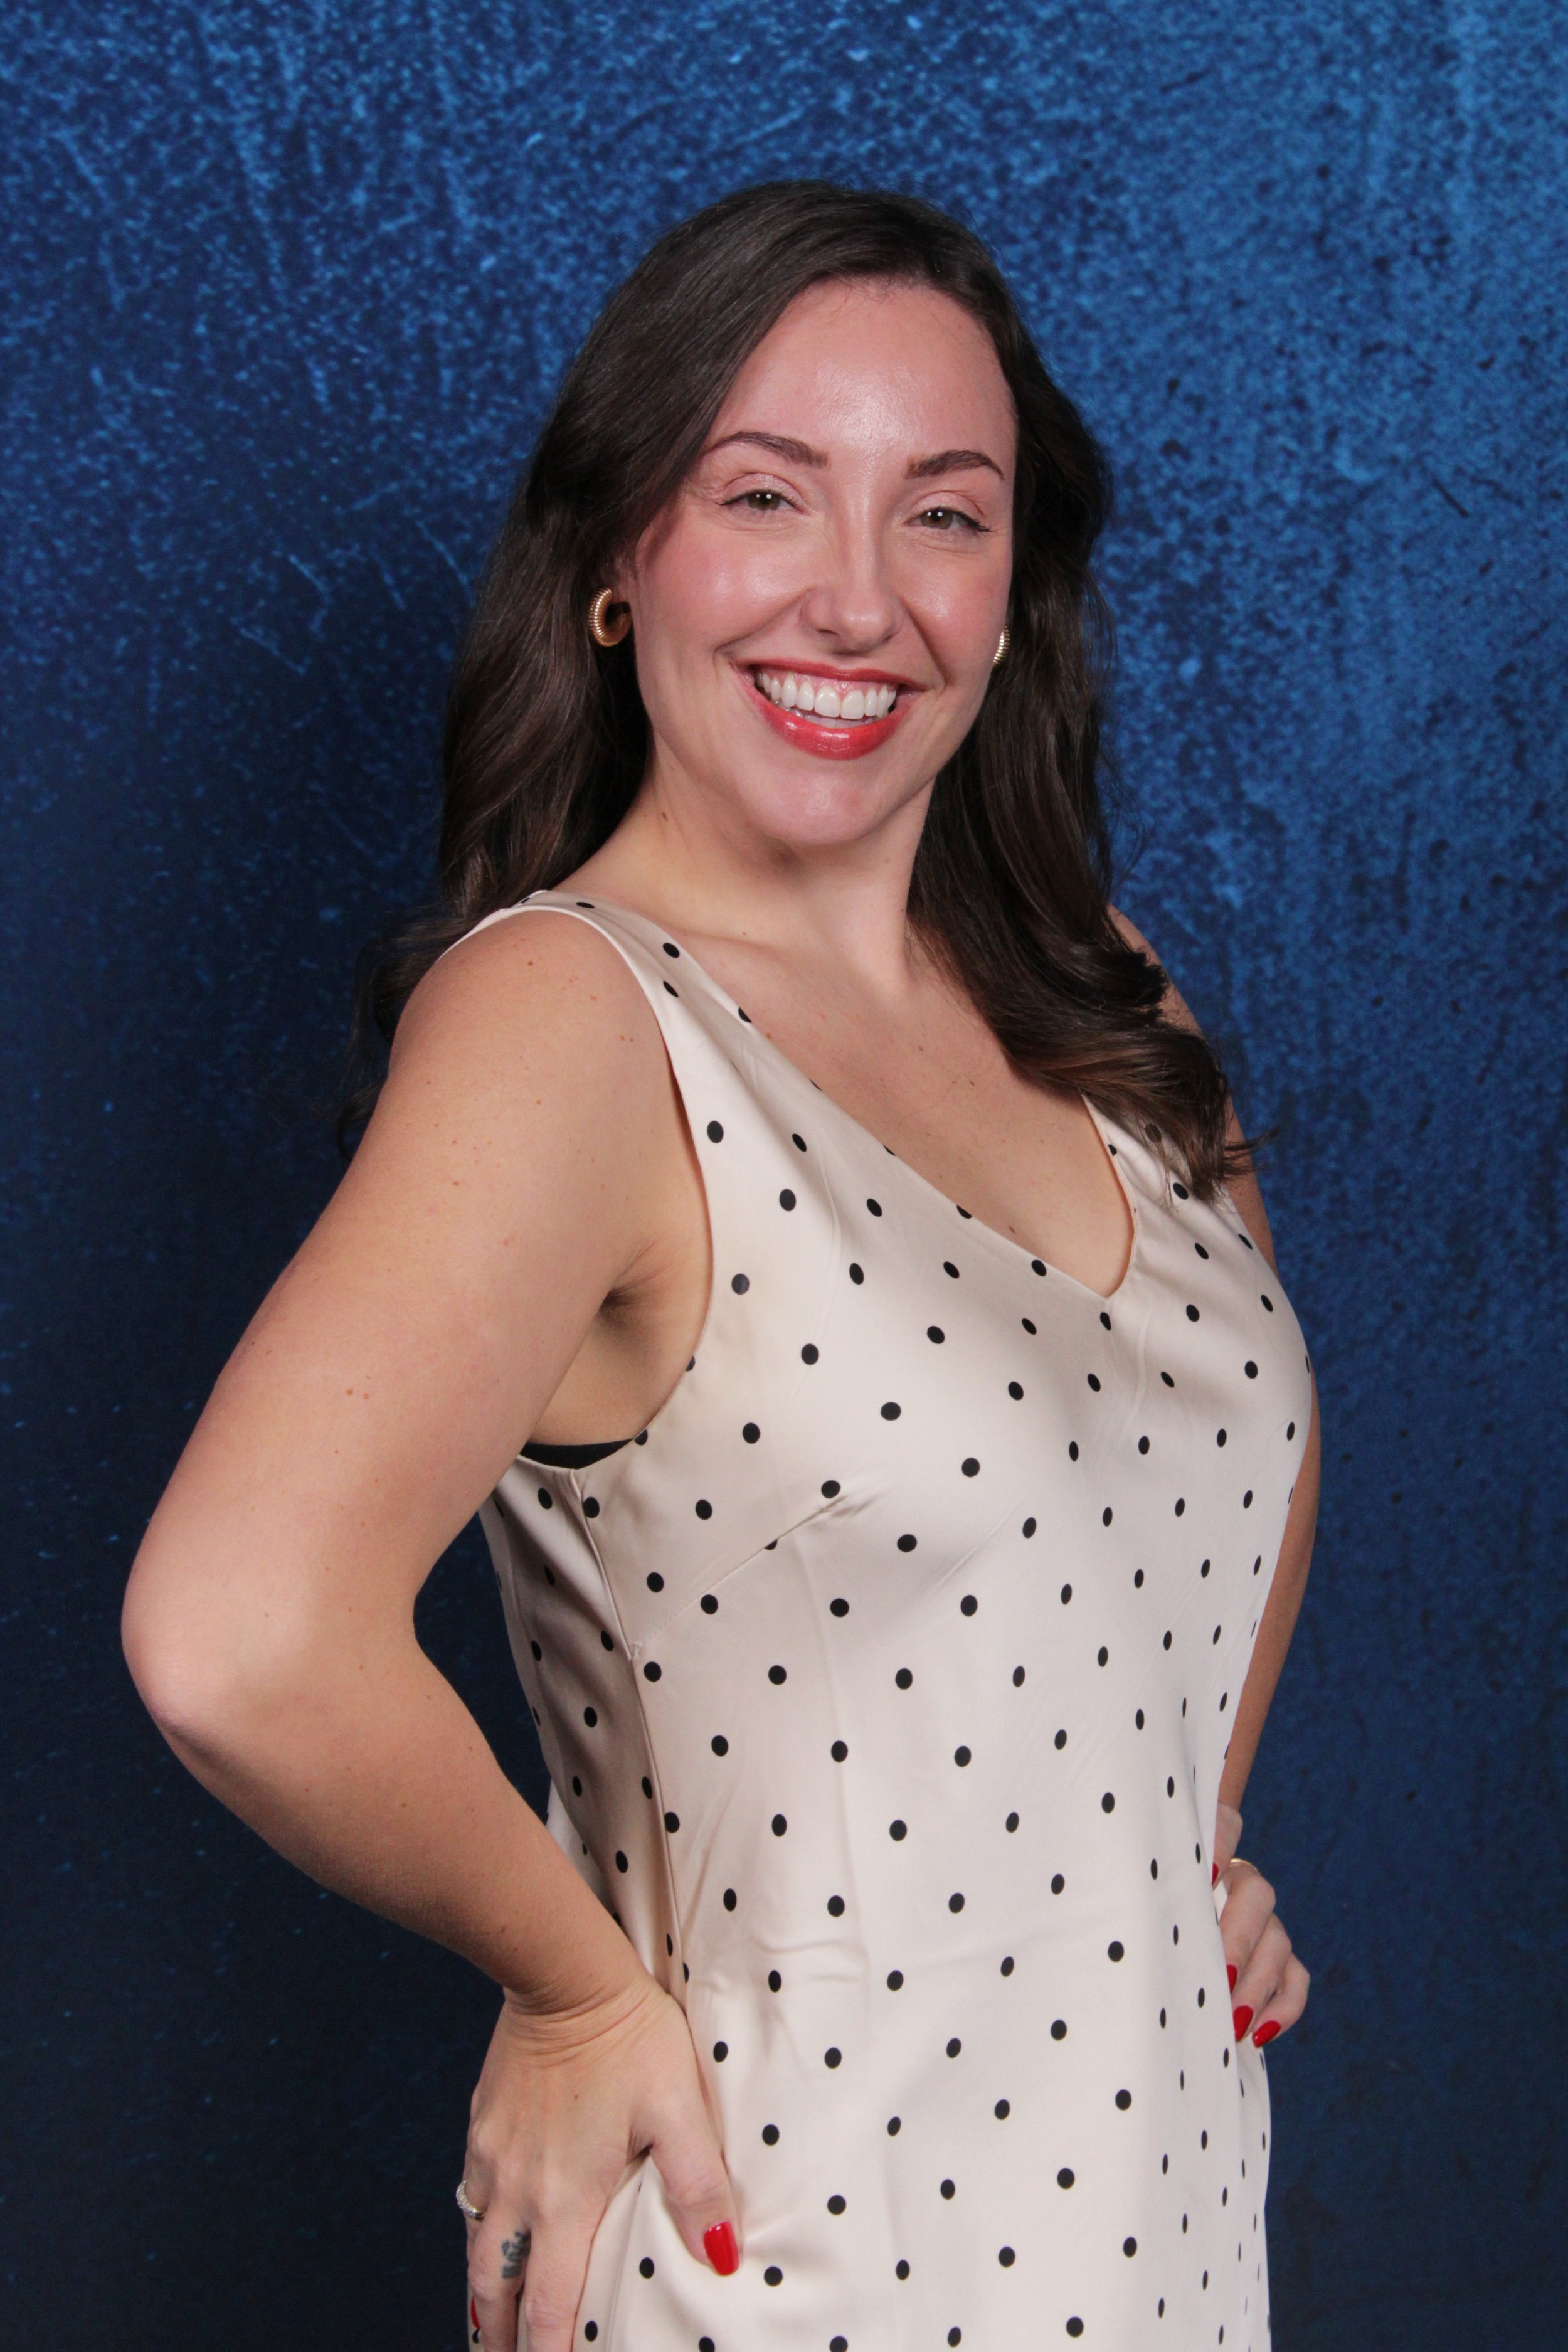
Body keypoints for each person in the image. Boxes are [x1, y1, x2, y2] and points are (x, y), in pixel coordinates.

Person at [123, 180, 1318, 2352]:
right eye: (762, 494)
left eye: (943, 517)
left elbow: (1240, 1424)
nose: (856, 601)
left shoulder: (1096, 985)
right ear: (613, 566)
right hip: (806, 2267)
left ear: (1015, 590)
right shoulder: (576, 1018)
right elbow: (234, 1635)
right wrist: (574, 1991)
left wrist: (1163, 1831)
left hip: (1154, 2241)